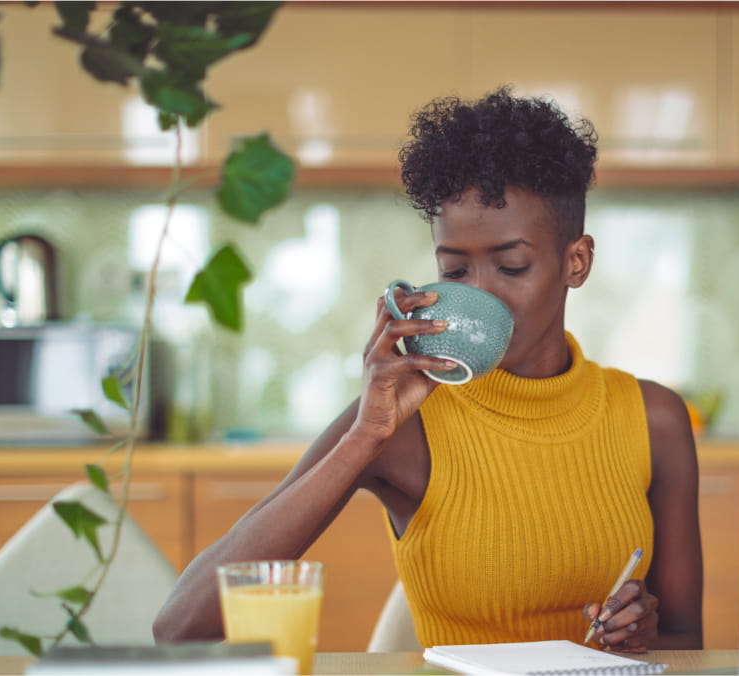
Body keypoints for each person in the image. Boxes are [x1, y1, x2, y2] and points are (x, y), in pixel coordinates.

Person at [153, 86, 703, 652]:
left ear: (576, 262)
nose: (484, 294)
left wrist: (644, 631)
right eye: (456, 272)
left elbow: (690, 641)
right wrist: (364, 438)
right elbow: (181, 626)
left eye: (512, 266)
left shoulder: (653, 418)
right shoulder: (402, 423)